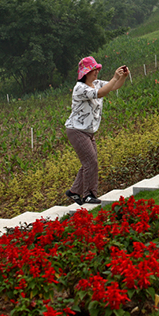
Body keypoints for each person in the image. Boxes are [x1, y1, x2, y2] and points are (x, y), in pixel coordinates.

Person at [64, 56, 129, 205]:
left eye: (97, 70)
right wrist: (114, 77)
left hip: (88, 131)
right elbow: (100, 93)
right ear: (85, 73)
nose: (96, 73)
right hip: (77, 130)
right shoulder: (80, 88)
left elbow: (112, 87)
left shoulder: (96, 84)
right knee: (91, 162)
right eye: (93, 70)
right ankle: (88, 195)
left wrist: (122, 77)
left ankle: (74, 192)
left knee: (89, 162)